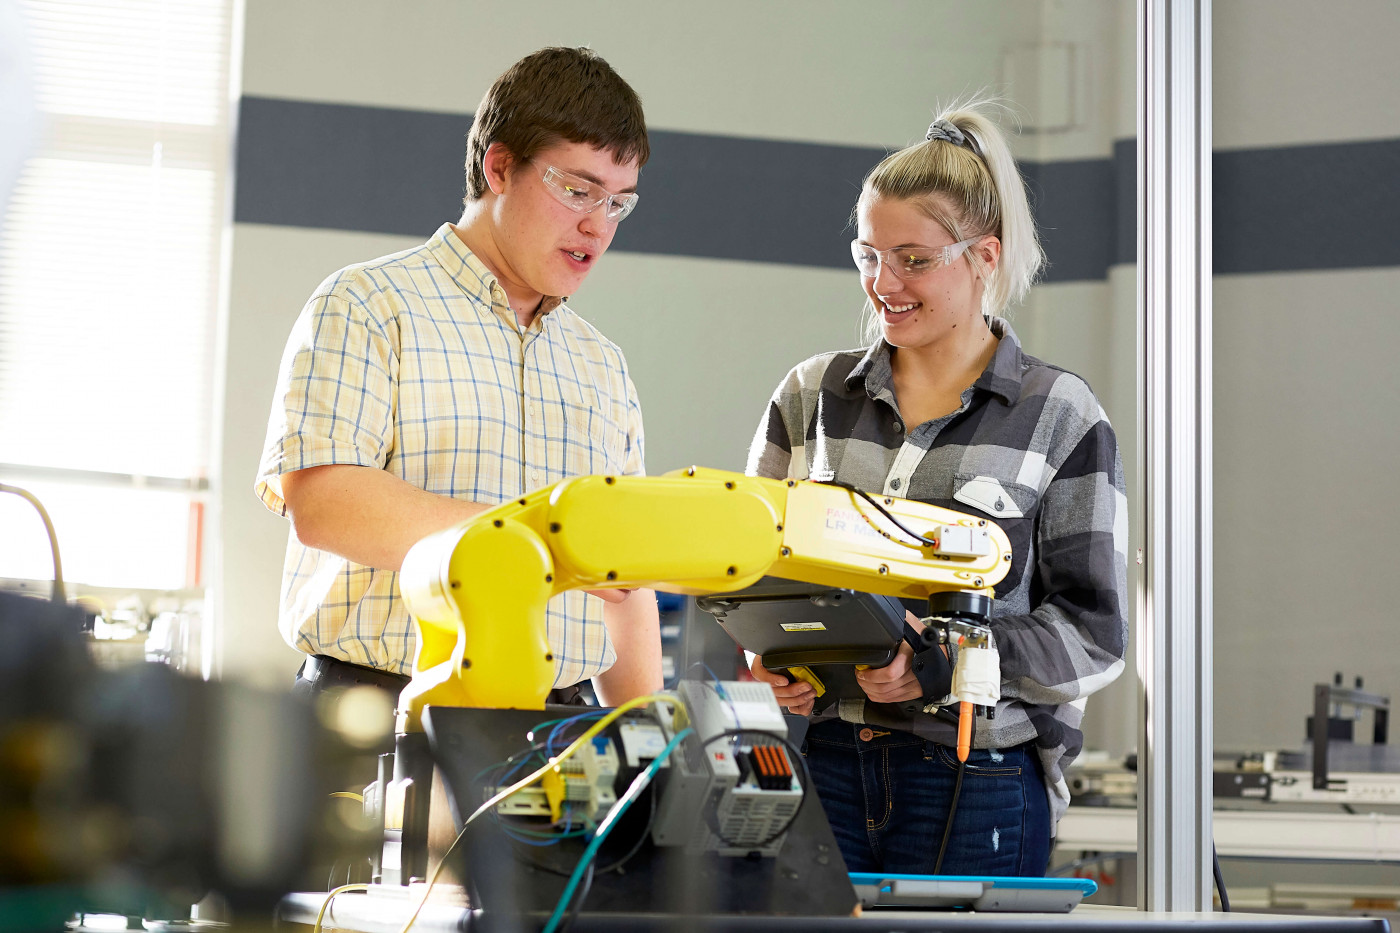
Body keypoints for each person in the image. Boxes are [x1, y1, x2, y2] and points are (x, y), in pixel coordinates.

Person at [745, 100, 1128, 877]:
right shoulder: (810, 395)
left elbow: (1093, 636)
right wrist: (773, 656)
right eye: (867, 254)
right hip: (821, 765)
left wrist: (943, 660)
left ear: (983, 256)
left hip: (977, 779)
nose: (882, 282)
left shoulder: (1059, 413)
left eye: (913, 260)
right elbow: (752, 564)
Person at [255, 47, 662, 710]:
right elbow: (324, 504)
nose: (597, 224)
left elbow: (625, 583)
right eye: (579, 190)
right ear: (500, 167)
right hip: (380, 712)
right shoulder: (367, 305)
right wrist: (545, 541)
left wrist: (652, 749)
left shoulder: (601, 365)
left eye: (619, 203)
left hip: (559, 729)